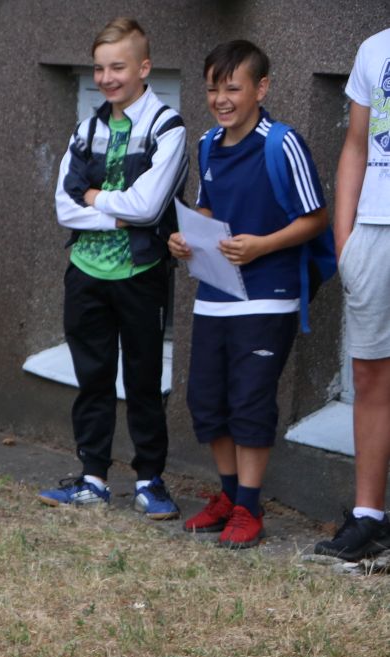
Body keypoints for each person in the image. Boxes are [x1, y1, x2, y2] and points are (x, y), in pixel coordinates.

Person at [168, 41, 328, 549]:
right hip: (216, 292)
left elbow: (316, 217)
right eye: (213, 87)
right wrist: (186, 238)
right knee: (205, 400)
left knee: (250, 402)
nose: (221, 98)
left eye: (232, 87)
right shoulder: (208, 143)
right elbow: (209, 209)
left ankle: (250, 508)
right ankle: (229, 496)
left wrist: (262, 246)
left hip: (268, 296)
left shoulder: (282, 144)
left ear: (261, 88)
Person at [42, 17, 186, 517]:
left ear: (143, 67)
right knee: (93, 380)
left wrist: (98, 199)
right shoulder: (87, 129)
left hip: (141, 275)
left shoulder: (168, 127)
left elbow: (149, 207)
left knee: (144, 380)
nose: (106, 78)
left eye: (118, 67)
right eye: (100, 68)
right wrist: (120, 217)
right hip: (85, 273)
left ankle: (150, 480)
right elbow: (64, 207)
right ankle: (93, 478)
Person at [313, 26, 390, 562]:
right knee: (370, 373)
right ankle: (369, 516)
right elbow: (356, 145)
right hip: (373, 232)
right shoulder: (373, 48)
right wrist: (345, 241)